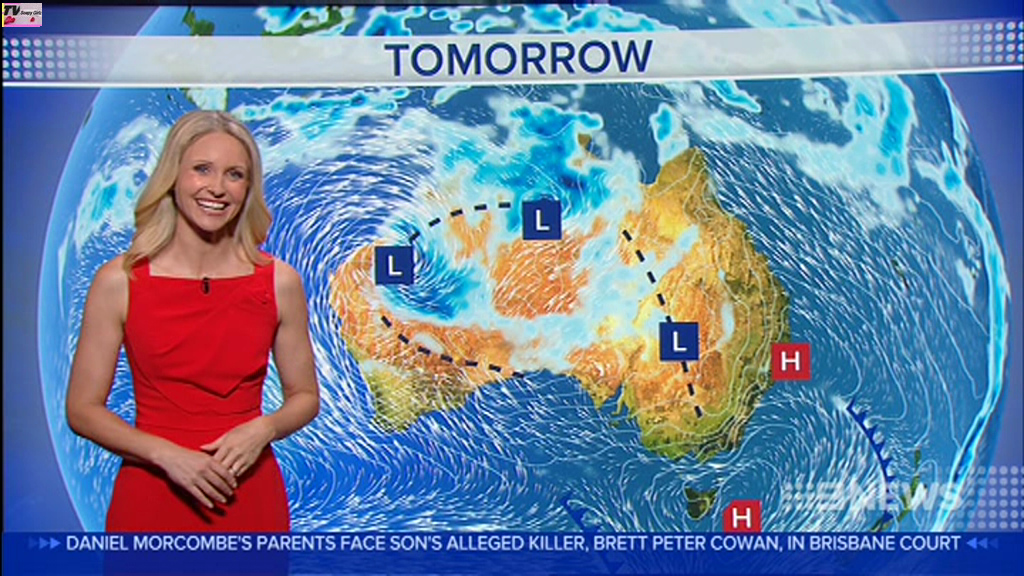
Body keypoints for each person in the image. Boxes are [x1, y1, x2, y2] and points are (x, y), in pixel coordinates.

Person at [66, 110, 320, 532]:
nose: (217, 188)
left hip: (248, 495)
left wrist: (264, 429)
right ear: (173, 177)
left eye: (235, 175)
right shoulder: (120, 281)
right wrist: (166, 455)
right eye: (202, 169)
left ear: (248, 188)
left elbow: (305, 396)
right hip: (151, 496)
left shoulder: (280, 282)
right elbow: (83, 410)